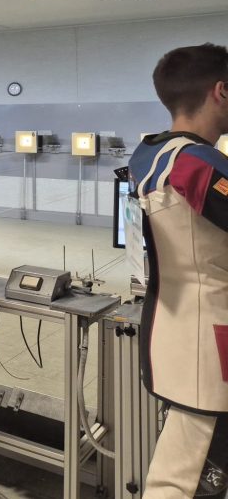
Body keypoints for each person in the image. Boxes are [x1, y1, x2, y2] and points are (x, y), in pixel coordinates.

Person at [131, 44, 228, 498]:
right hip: (209, 345)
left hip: (178, 329)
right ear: (221, 91)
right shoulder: (196, 162)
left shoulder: (151, 152)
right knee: (184, 484)